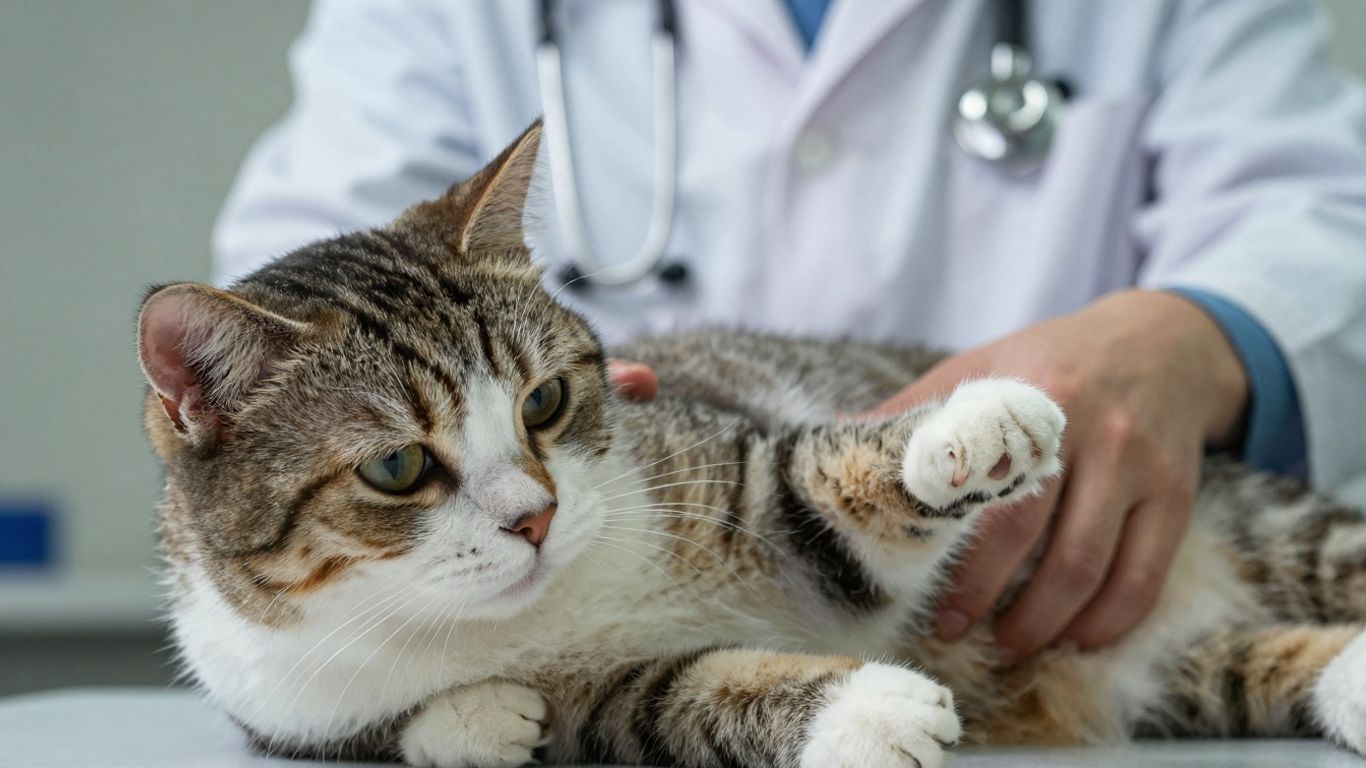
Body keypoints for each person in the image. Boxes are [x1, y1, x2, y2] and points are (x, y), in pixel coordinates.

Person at [212, 0, 1366, 664]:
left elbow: (1320, 210)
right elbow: (301, 289)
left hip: (1069, 601)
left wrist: (1197, 335)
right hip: (622, 611)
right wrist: (505, 409)